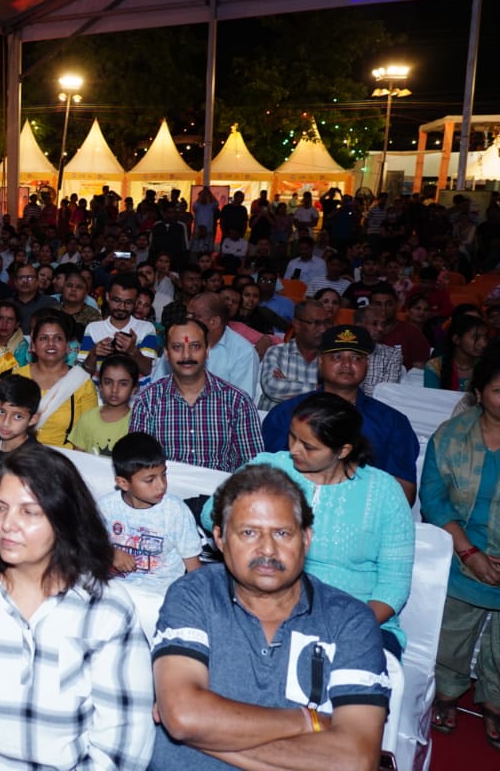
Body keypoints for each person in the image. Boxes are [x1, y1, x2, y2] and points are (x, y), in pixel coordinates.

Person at [0, 444, 154, 770]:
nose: (8, 524)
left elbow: (121, 748)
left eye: (29, 512)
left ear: (65, 519)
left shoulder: (106, 611)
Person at [151, 464, 391, 770]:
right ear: (220, 538)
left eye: (282, 533)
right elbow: (185, 716)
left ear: (306, 539)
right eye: (249, 532)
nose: (267, 549)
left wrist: (198, 733)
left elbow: (354, 760)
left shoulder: (350, 621)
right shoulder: (193, 595)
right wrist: (309, 720)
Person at [210, 393, 416, 657]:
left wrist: (343, 626)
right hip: (265, 607)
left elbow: (394, 586)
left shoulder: (384, 491)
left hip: (356, 617)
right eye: (292, 437)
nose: (294, 449)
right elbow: (212, 513)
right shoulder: (270, 468)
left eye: (309, 446)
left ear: (343, 450)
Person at [421, 352, 500, 751]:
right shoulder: (449, 437)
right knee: (449, 633)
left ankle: (498, 699)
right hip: (459, 549)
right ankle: (447, 692)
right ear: (479, 393)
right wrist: (468, 552)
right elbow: (434, 500)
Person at [261, 325, 420, 503]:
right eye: (337, 357)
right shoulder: (287, 413)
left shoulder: (392, 421)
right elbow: (267, 475)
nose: (346, 365)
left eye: (356, 358)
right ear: (320, 362)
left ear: (367, 364)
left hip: (365, 516)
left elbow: (403, 492)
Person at [130, 317, 264, 472]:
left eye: (195, 346)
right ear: (166, 354)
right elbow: (138, 464)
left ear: (207, 351)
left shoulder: (236, 401)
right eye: (177, 347)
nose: (187, 356)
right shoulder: (148, 401)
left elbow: (253, 467)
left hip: (219, 493)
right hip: (164, 492)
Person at [100, 431, 202, 591]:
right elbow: (85, 544)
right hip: (114, 591)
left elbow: (194, 567)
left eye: (164, 475)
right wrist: (110, 552)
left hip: (159, 595)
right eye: (150, 480)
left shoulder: (175, 511)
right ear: (123, 483)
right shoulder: (106, 507)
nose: (161, 485)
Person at [11, 310, 98, 449]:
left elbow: (87, 433)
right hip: (20, 455)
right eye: (43, 338)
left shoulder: (82, 382)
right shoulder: (17, 377)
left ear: (68, 346)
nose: (51, 344)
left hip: (64, 460)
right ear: (33, 346)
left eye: (58, 338)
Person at [153, 291, 261, 401]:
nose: (187, 319)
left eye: (194, 316)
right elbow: (156, 387)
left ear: (214, 322)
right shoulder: (179, 340)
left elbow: (241, 402)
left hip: (217, 415)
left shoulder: (244, 352)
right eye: (187, 314)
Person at [258, 300, 329, 410]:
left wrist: (286, 384)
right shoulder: (277, 352)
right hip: (272, 421)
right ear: (297, 324)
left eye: (326, 322)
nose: (323, 329)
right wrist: (319, 389)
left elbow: (334, 398)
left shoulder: (330, 359)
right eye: (315, 323)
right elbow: (272, 387)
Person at [81, 274, 157, 377]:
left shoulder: (146, 328)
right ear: (107, 297)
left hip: (136, 392)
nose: (122, 307)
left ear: (135, 302)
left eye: (128, 302)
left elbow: (146, 370)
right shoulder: (93, 328)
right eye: (117, 300)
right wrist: (93, 353)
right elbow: (83, 373)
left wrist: (133, 351)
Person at [68, 354, 137, 455]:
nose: (114, 390)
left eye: (123, 384)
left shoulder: (137, 422)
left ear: (134, 389)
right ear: (100, 385)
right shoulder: (87, 418)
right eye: (108, 382)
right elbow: (78, 458)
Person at [425, 313, 488, 391]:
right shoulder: (435, 366)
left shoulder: (487, 366)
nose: (484, 344)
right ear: (456, 339)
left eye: (485, 338)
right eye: (476, 337)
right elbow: (432, 400)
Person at [0, 372, 40, 462]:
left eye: (18, 417)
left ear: (33, 419)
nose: (6, 423)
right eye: (1, 412)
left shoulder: (34, 459)